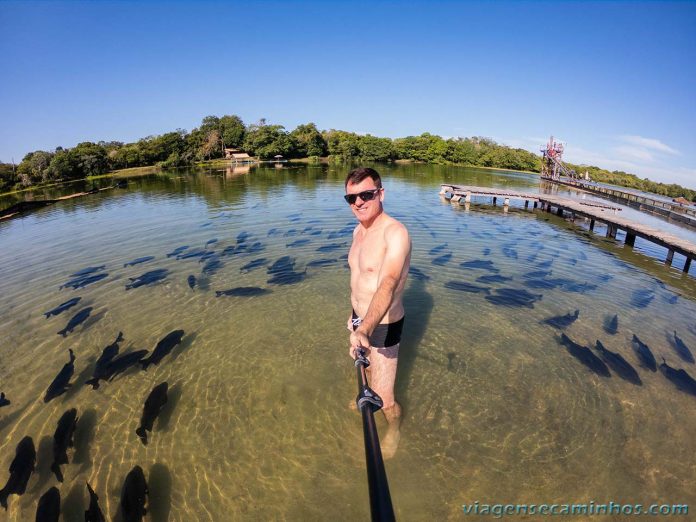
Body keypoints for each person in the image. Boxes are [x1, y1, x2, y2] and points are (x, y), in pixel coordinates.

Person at [344, 167, 411, 459]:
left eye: (366, 195)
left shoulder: (395, 233)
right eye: (351, 198)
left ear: (381, 194)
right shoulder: (358, 230)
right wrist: (354, 317)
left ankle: (394, 429)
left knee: (384, 399)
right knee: (367, 369)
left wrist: (366, 329)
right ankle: (371, 387)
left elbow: (386, 284)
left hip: (382, 325)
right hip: (361, 321)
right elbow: (360, 280)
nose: (358, 202)